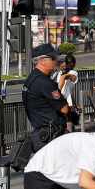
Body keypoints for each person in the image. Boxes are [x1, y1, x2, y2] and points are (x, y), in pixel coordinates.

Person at [11, 44, 70, 172]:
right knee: (59, 174)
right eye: (53, 58)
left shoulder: (31, 79)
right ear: (42, 60)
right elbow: (64, 109)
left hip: (41, 134)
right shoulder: (44, 82)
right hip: (50, 137)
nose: (56, 61)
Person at [55, 53, 80, 129]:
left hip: (67, 103)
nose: (68, 65)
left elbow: (73, 78)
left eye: (71, 63)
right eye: (67, 62)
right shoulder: (59, 73)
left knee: (68, 124)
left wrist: (66, 75)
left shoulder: (72, 72)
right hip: (58, 102)